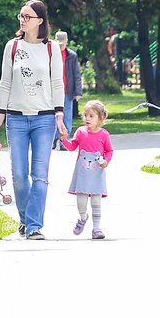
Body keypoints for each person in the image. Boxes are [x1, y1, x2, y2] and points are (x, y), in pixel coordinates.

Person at [0, 0, 66, 240]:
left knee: (40, 175)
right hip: (17, 119)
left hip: (44, 119)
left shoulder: (51, 49)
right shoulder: (12, 46)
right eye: (21, 15)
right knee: (20, 175)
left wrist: (59, 115)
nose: (22, 19)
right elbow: (5, 82)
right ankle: (25, 219)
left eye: (27, 16)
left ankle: (33, 226)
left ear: (39, 21)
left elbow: (57, 83)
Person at [60, 99, 113, 240]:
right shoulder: (80, 132)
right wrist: (64, 139)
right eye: (85, 115)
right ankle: (83, 218)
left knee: (96, 201)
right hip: (83, 173)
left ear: (100, 119)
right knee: (81, 201)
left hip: (97, 173)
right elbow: (72, 147)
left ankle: (96, 228)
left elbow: (109, 151)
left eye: (91, 116)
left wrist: (106, 161)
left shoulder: (104, 135)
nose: (87, 119)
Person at [53, 30, 83, 150]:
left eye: (62, 43)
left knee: (66, 118)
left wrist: (78, 92)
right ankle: (54, 139)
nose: (61, 46)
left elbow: (77, 74)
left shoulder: (72, 55)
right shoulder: (51, 54)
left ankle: (64, 141)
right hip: (53, 91)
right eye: (59, 43)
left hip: (67, 91)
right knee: (53, 117)